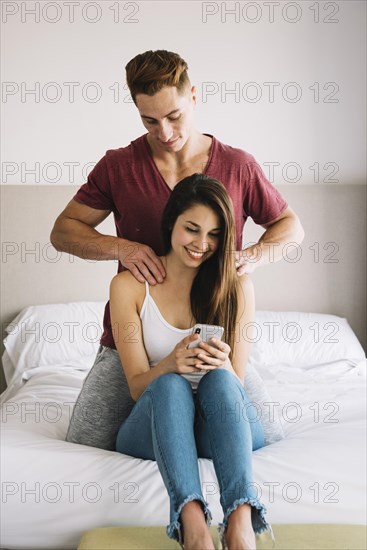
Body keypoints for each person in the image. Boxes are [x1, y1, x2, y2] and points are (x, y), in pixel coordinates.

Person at [51, 49, 304, 450]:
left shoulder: (238, 165)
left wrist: (254, 255)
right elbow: (63, 232)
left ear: (193, 97)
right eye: (150, 121)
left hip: (212, 338)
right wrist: (125, 248)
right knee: (83, 444)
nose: (165, 132)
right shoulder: (118, 167)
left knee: (266, 442)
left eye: (174, 117)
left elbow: (290, 227)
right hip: (131, 341)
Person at [111, 173, 269, 550]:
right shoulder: (129, 287)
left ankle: (240, 523)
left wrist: (225, 364)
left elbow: (237, 382)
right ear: (171, 224)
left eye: (214, 234)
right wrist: (170, 363)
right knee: (169, 384)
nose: (202, 244)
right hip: (158, 422)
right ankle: (193, 526)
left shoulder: (237, 285)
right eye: (192, 229)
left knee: (219, 380)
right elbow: (136, 386)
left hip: (222, 422)